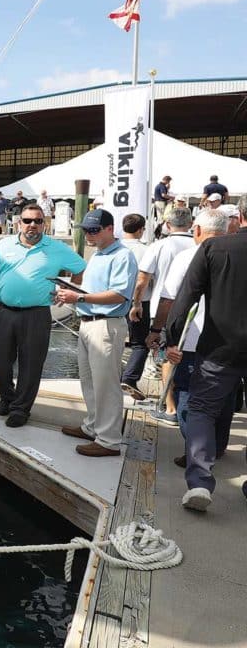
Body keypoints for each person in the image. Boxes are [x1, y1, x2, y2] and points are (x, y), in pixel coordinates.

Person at [0, 204, 86, 428]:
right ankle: (8, 397)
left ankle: (21, 409)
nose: (32, 225)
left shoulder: (56, 248)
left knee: (31, 364)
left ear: (44, 224)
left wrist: (68, 291)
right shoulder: (3, 245)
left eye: (38, 221)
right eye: (28, 220)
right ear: (18, 222)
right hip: (3, 311)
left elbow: (80, 269)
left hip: (36, 314)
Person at [164, 196, 247, 512]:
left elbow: (186, 298)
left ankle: (200, 482)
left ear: (238, 216)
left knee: (200, 410)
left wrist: (172, 338)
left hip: (218, 346)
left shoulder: (213, 249)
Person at [54, 209, 137, 457]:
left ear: (110, 229)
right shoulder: (99, 254)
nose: (89, 235)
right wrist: (72, 294)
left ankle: (109, 439)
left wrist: (77, 295)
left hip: (106, 324)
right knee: (89, 380)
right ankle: (93, 426)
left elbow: (119, 294)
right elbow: (96, 291)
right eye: (86, 230)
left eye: (94, 230)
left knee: (106, 384)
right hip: (90, 322)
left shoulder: (123, 256)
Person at [149, 209, 226, 445]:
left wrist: (158, 332)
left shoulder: (188, 256)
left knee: (187, 393)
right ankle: (217, 446)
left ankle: (196, 449)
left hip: (190, 339)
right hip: (228, 341)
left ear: (198, 230)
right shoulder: (237, 254)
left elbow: (170, 299)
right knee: (222, 397)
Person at [129, 206, 195, 415]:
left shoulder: (159, 246)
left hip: (164, 308)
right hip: (196, 310)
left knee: (167, 356)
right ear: (192, 224)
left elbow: (142, 280)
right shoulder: (199, 244)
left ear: (167, 224)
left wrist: (137, 303)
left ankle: (170, 407)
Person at [119, 213, 151, 399]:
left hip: (113, 299)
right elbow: (144, 279)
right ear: (140, 229)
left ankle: (114, 378)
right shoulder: (146, 250)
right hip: (138, 301)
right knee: (140, 344)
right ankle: (129, 378)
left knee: (114, 342)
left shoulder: (113, 247)